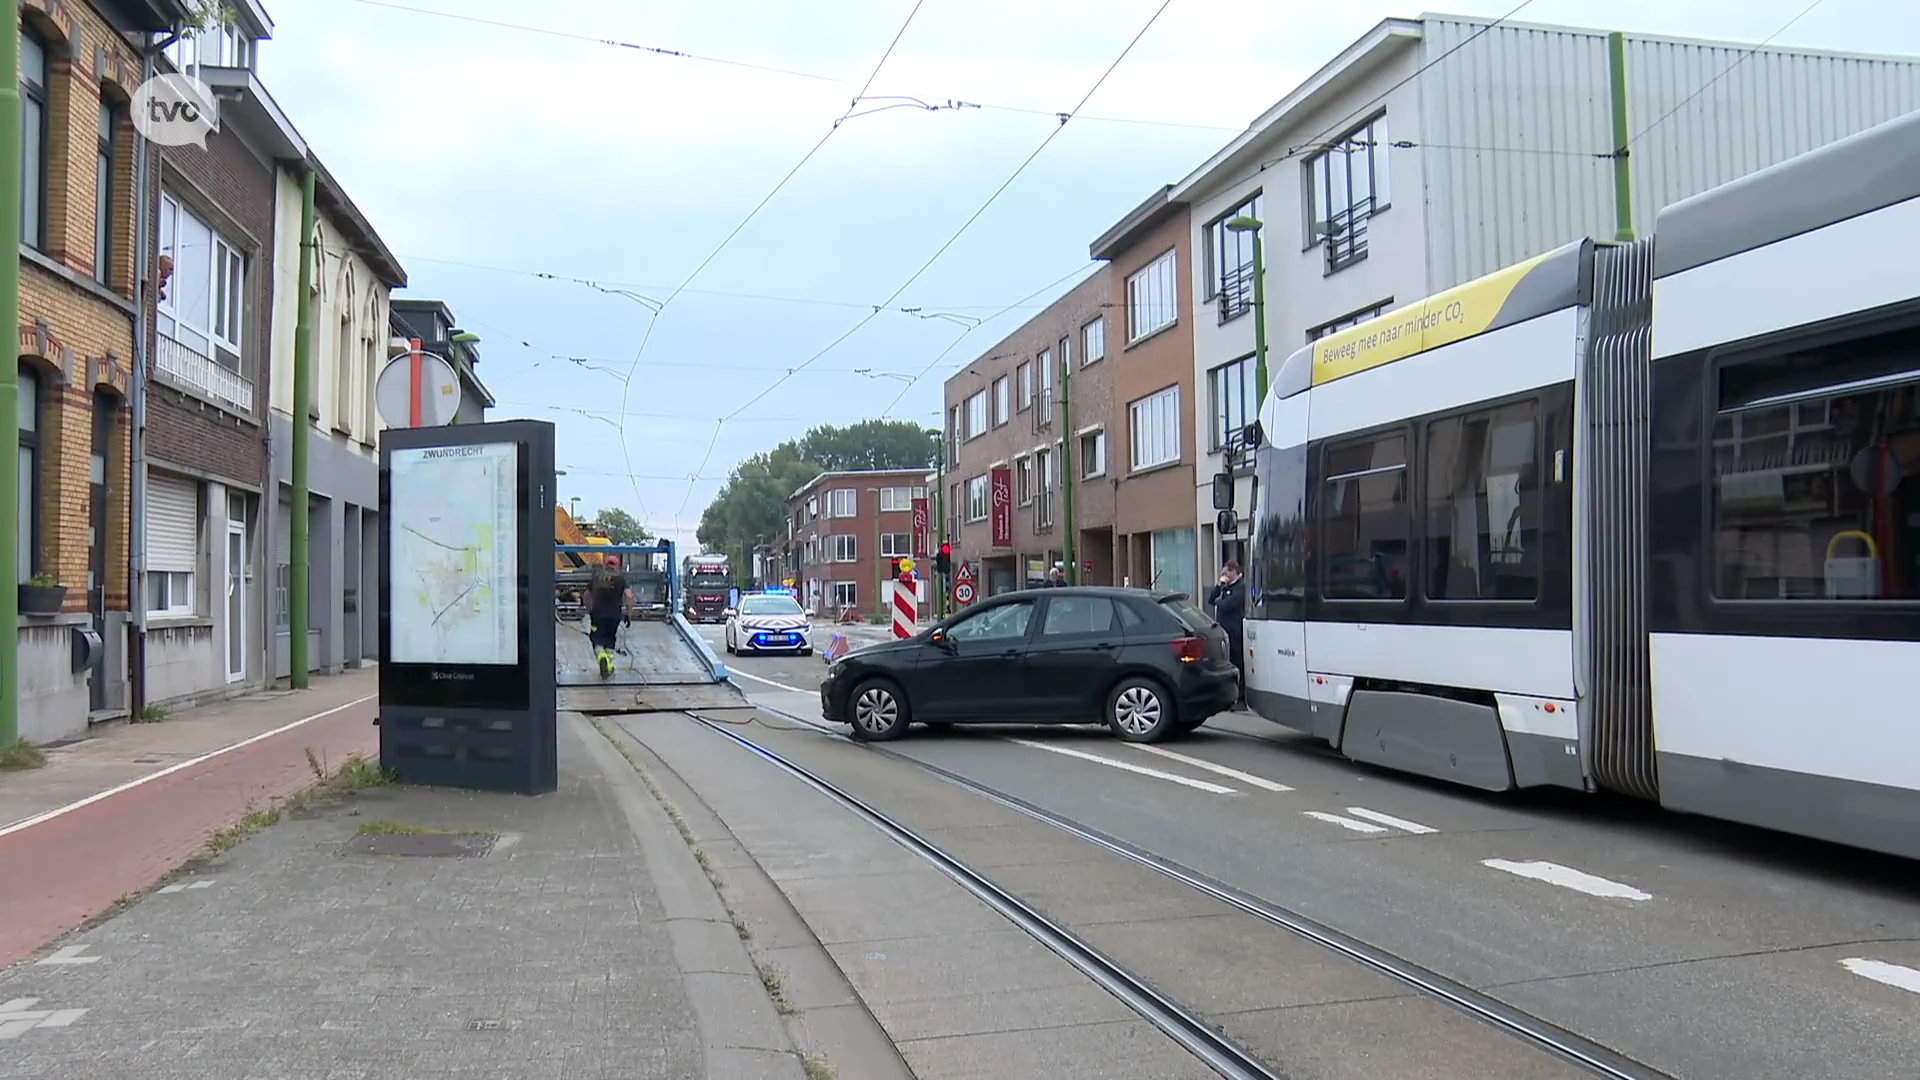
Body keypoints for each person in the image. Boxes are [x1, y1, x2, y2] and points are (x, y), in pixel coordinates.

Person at [1206, 561, 1248, 709]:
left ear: (1234, 572)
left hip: (1235, 631)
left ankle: (1241, 698)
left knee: (1237, 662)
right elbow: (1211, 600)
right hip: (1223, 631)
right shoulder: (1225, 587)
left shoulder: (1241, 587)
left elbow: (1229, 604)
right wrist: (1218, 586)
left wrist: (1220, 601)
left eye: (1226, 573)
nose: (1224, 576)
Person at [586, 557, 633, 679]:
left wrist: (589, 608)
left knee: (596, 638)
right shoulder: (621, 578)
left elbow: (586, 594)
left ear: (604, 565)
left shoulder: (596, 576)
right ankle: (609, 666)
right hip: (614, 616)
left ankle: (602, 658)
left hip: (597, 615)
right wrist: (628, 614)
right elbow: (628, 596)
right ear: (617, 566)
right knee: (610, 638)